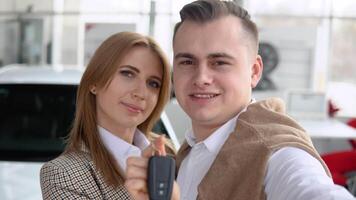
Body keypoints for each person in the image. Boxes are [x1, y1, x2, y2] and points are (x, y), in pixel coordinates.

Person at [125, 0, 356, 200]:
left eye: (219, 62)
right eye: (187, 62)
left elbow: (312, 189)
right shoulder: (191, 148)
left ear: (254, 72)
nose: (201, 77)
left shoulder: (276, 153)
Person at [40, 31, 173, 199]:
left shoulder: (171, 155)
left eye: (153, 83)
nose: (141, 93)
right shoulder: (63, 174)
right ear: (95, 82)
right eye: (128, 73)